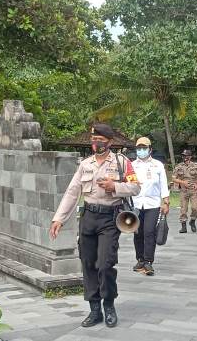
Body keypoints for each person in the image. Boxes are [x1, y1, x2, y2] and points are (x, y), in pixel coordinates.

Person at [49, 123, 140, 328]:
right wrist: (59, 219)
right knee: (88, 264)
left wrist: (114, 186)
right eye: (94, 140)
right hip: (89, 218)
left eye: (100, 140)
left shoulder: (122, 162)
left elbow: (135, 187)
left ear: (109, 142)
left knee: (105, 264)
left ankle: (109, 305)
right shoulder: (85, 164)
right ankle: (94, 309)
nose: (96, 143)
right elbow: (73, 192)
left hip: (110, 219)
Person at [131, 137, 170, 276]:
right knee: (137, 232)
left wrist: (166, 202)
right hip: (136, 203)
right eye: (139, 148)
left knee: (149, 232)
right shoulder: (132, 165)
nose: (141, 151)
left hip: (152, 204)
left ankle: (148, 261)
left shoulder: (157, 165)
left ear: (150, 149)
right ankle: (140, 259)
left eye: (144, 148)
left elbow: (163, 184)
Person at [171, 149, 197, 233]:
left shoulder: (196, 166)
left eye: (186, 156)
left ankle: (192, 221)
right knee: (183, 209)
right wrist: (182, 182)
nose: (185, 157)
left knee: (195, 208)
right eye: (183, 156)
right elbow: (173, 178)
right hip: (183, 190)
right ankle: (183, 226)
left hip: (193, 190)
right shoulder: (179, 166)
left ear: (190, 157)